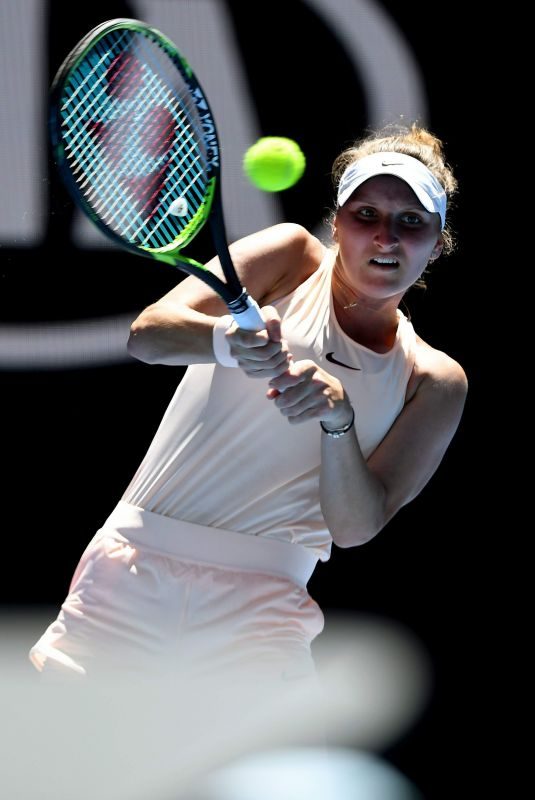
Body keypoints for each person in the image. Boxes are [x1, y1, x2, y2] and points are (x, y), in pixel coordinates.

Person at [29, 123, 467, 688]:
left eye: (411, 222)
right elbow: (149, 334)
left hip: (262, 611)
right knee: (69, 771)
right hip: (133, 569)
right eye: (366, 215)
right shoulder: (290, 255)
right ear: (337, 223)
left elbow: (355, 527)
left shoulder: (433, 379)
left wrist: (339, 422)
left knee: (260, 776)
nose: (386, 237)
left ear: (437, 242)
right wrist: (225, 343)